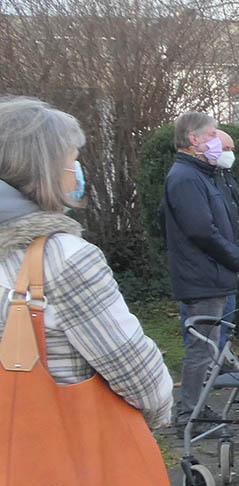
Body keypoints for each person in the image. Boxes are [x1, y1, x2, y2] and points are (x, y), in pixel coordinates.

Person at [0, 96, 173, 430]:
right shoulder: (63, 258)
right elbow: (142, 380)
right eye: (72, 160)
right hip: (57, 452)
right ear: (45, 169)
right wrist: (156, 416)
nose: (76, 173)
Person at [163, 112, 239, 437]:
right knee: (202, 348)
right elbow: (201, 230)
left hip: (209, 274)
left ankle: (197, 409)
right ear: (193, 140)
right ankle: (190, 416)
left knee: (209, 346)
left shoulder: (199, 175)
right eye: (212, 134)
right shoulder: (185, 177)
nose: (216, 141)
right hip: (203, 277)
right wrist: (234, 258)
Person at [177, 128, 239, 351]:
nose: (229, 154)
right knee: (202, 339)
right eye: (225, 148)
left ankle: (218, 365)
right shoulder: (194, 179)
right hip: (206, 273)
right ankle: (203, 376)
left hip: (227, 266)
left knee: (223, 323)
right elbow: (201, 229)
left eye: (231, 149)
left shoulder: (225, 177)